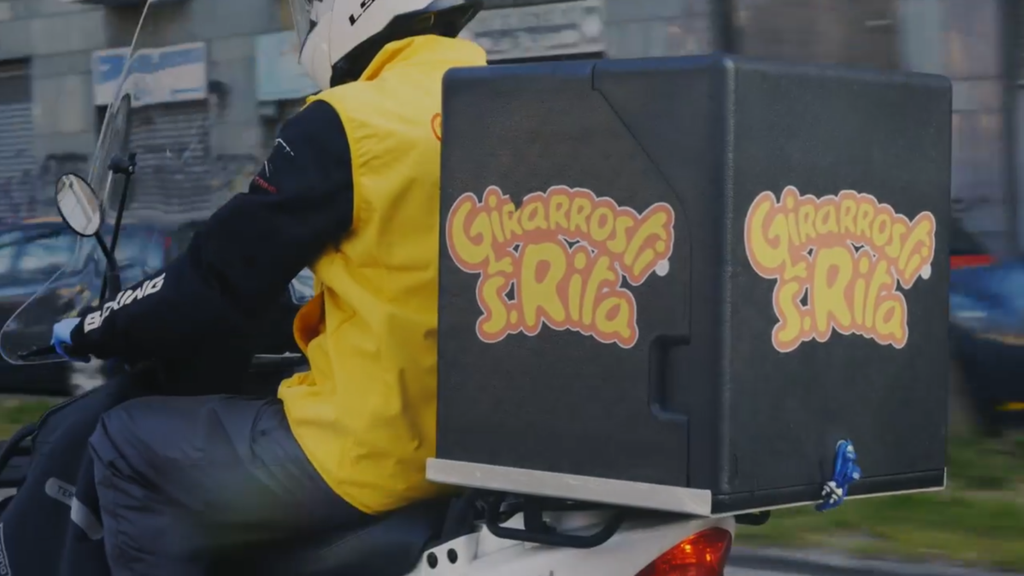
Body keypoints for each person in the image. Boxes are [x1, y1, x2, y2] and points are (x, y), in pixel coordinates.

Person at [51, 1, 487, 574]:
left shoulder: (350, 121)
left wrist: (95, 326)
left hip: (375, 452)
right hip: (475, 445)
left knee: (124, 445)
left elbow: (214, 278)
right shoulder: (510, 102)